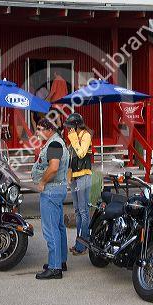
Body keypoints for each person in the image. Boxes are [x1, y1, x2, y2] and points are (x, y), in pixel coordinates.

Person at [32, 118, 69, 280]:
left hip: (51, 190)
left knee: (50, 229)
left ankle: (55, 268)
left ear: (49, 129)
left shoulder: (54, 144)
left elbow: (53, 167)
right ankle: (60, 261)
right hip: (58, 189)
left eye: (39, 129)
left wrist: (42, 182)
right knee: (59, 227)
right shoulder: (58, 142)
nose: (37, 132)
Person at [64, 113, 93, 255]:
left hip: (84, 177)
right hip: (75, 178)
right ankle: (79, 243)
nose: (68, 129)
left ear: (76, 125)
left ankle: (83, 245)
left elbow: (81, 154)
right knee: (77, 212)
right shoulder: (73, 138)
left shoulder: (86, 135)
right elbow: (71, 159)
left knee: (83, 211)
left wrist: (74, 139)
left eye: (70, 126)